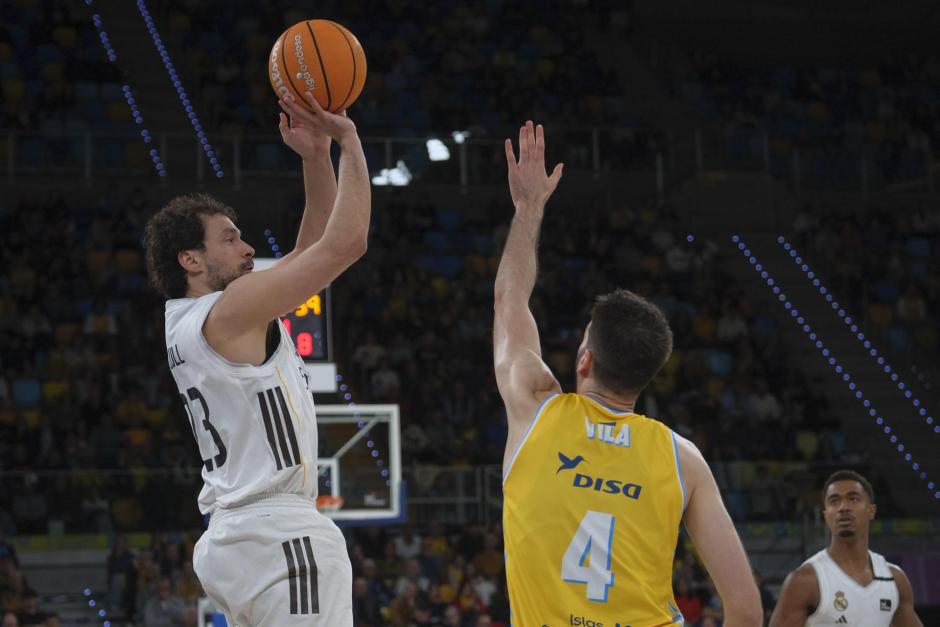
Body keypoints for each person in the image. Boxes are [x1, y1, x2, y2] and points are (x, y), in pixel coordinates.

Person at [493, 121, 762, 626]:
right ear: (646, 374)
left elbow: (510, 299)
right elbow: (746, 610)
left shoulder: (535, 408)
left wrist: (529, 207)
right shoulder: (683, 459)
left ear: (585, 360)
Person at [143, 91, 370, 626]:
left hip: (234, 539)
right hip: (278, 533)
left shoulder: (192, 320)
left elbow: (308, 250)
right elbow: (345, 244)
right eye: (230, 239)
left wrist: (315, 159)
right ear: (191, 259)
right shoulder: (230, 311)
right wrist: (349, 141)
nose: (248, 248)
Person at [769, 470, 923, 627]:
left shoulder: (895, 579)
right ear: (826, 515)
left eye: (853, 499)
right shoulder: (805, 580)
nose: (843, 507)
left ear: (871, 511)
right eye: (834, 501)